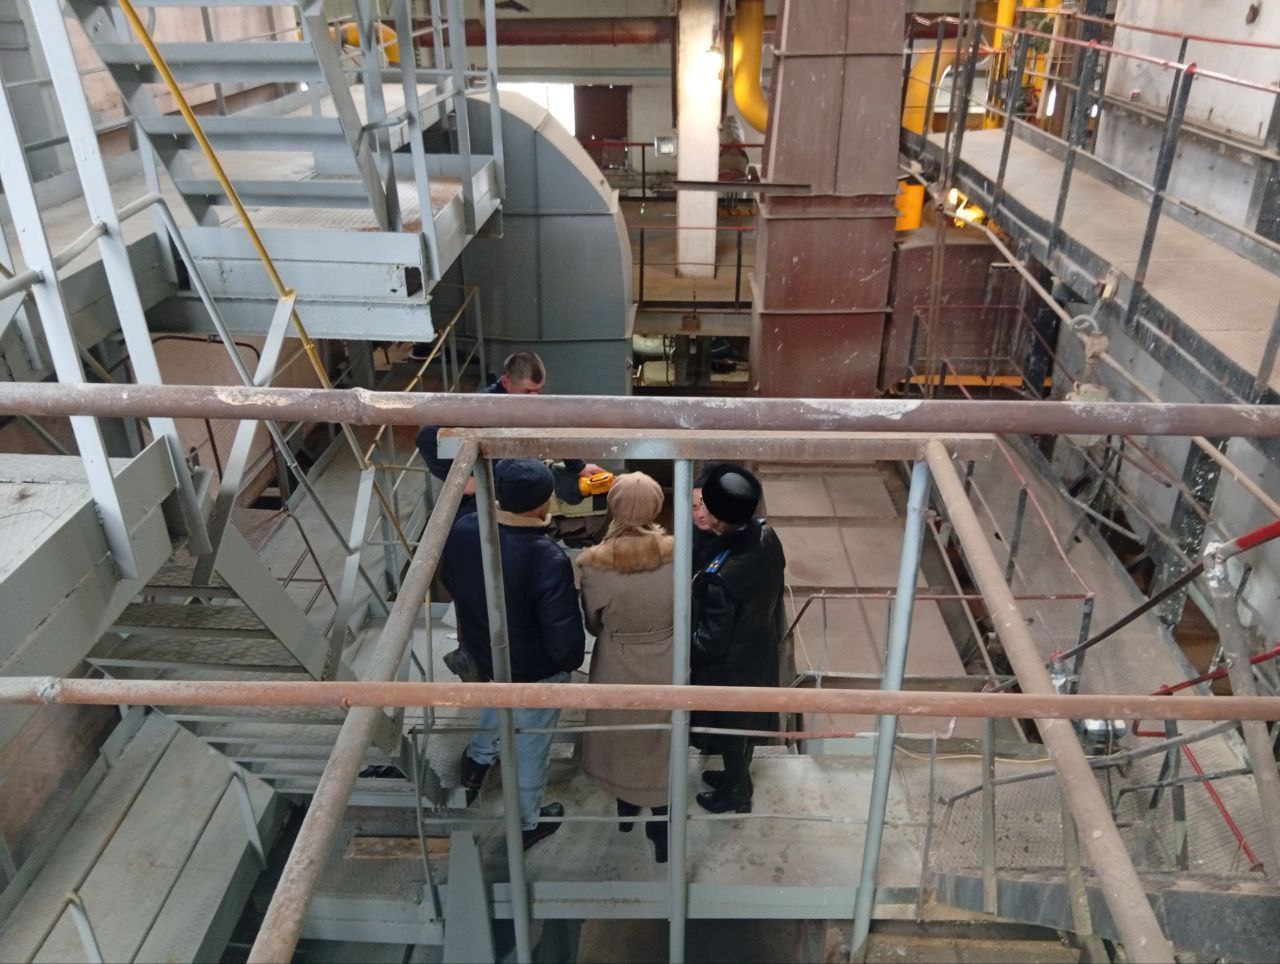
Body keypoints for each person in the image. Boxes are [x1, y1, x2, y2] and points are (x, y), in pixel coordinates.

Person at [441, 458, 586, 849]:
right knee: (531, 748)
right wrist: (567, 663)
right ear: (545, 502)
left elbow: (450, 578)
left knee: (496, 700)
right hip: (534, 671)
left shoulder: (466, 527)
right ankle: (527, 823)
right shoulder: (548, 558)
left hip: (485, 651)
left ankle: (477, 762)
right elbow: (564, 641)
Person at [576, 473, 674, 863]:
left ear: (612, 505)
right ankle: (661, 828)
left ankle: (626, 810)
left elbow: (593, 623)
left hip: (616, 658)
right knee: (660, 739)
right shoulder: (677, 555)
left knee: (620, 735)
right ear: (657, 506)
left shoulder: (595, 564)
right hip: (666, 656)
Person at [690, 464, 786, 814]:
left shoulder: (722, 575)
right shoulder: (767, 536)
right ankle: (738, 777)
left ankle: (736, 792)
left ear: (717, 516)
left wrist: (679, 649)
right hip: (760, 649)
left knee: (730, 730)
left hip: (729, 668)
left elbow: (710, 641)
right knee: (744, 726)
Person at [416, 351, 601, 515]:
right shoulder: (480, 407)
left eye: (539, 390)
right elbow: (426, 436)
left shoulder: (529, 402)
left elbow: (553, 430)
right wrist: (462, 482)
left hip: (521, 475)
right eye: (528, 391)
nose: (535, 398)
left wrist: (579, 467)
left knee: (578, 490)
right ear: (506, 382)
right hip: (492, 489)